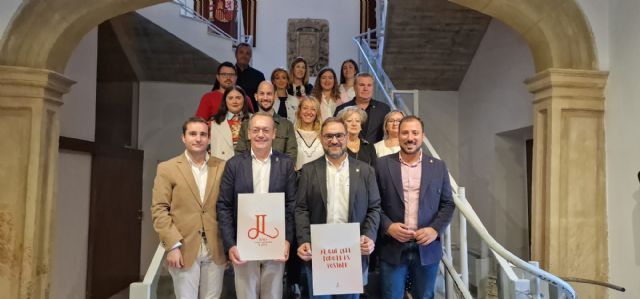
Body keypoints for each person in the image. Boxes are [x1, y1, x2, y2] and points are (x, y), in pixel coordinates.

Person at [295, 117, 381, 299]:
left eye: (339, 135)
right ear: (321, 138)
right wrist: (304, 239)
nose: (334, 141)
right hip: (319, 252)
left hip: (352, 251)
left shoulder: (366, 171)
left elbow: (374, 208)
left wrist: (369, 236)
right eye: (329, 136)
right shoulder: (309, 170)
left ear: (347, 136)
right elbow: (301, 208)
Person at [217, 112, 297, 299]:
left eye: (266, 130)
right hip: (243, 244)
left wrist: (287, 240)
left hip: (275, 242)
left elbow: (292, 205)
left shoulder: (285, 164)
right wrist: (230, 244)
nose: (261, 134)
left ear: (274, 133)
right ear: (248, 134)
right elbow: (224, 206)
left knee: (273, 295)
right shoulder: (234, 165)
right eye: (256, 130)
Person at [374, 116, 455, 299]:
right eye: (405, 132)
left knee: (425, 296)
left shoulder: (438, 167)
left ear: (423, 136)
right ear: (398, 135)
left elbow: (448, 204)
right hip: (392, 246)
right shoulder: (381, 165)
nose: (410, 138)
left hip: (426, 247)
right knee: (391, 296)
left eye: (415, 133)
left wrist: (435, 229)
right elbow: (373, 204)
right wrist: (388, 226)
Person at [151, 117, 227, 299]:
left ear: (209, 138)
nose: (198, 138)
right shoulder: (167, 168)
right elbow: (160, 209)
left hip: (215, 247)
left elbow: (229, 207)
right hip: (183, 247)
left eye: (203, 134)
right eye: (192, 134)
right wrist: (172, 246)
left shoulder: (223, 167)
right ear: (183, 138)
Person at [235, 81, 298, 161]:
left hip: (279, 173)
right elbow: (240, 155)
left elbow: (291, 157)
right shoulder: (246, 124)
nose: (265, 98)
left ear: (275, 96)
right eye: (261, 93)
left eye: (269, 94)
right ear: (256, 96)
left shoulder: (287, 125)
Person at [334, 73, 390, 144]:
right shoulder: (341, 109)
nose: (365, 89)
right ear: (354, 87)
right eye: (361, 85)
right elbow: (335, 132)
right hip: (349, 152)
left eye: (369, 85)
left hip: (377, 153)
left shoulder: (384, 109)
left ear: (373, 88)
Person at [210, 86, 251, 161]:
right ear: (225, 101)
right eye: (230, 98)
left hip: (248, 165)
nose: (234, 101)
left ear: (244, 100)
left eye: (238, 98)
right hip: (222, 166)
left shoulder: (254, 120)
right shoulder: (214, 123)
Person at [294, 97, 324, 170]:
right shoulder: (292, 134)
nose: (309, 112)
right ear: (299, 111)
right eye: (305, 108)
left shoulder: (323, 135)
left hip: (319, 179)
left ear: (317, 113)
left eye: (313, 109)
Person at [234, 42, 265, 108]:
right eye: (241, 52)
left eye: (247, 53)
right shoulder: (227, 74)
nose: (244, 56)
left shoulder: (259, 76)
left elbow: (263, 99)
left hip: (252, 115)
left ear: (250, 57)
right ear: (236, 55)